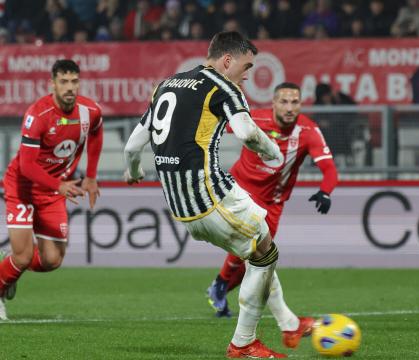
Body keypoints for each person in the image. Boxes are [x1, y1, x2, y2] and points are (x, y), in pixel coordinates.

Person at [123, 31, 306, 358]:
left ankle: (287, 322)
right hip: (210, 196)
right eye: (246, 66)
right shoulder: (223, 86)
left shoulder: (166, 84)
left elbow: (133, 145)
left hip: (180, 206)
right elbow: (247, 132)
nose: (247, 75)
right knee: (265, 254)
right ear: (226, 60)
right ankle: (243, 342)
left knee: (260, 251)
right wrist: (273, 153)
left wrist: (134, 171)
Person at [206, 82, 338, 323]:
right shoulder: (253, 119)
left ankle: (221, 285)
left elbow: (329, 169)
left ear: (300, 104)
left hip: (274, 202)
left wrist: (325, 191)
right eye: (284, 102)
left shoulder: (308, 131)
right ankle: (223, 286)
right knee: (249, 245)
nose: (289, 108)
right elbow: (213, 127)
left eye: (294, 102)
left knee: (258, 256)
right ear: (274, 103)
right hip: (240, 190)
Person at [0, 59, 103, 320]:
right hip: (22, 187)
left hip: (53, 191)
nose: (70, 87)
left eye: (74, 81)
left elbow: (96, 134)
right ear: (53, 84)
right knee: (23, 257)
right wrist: (60, 185)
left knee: (52, 260)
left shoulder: (89, 111)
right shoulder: (39, 115)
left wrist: (90, 177)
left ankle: (7, 265)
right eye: (64, 82)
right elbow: (26, 165)